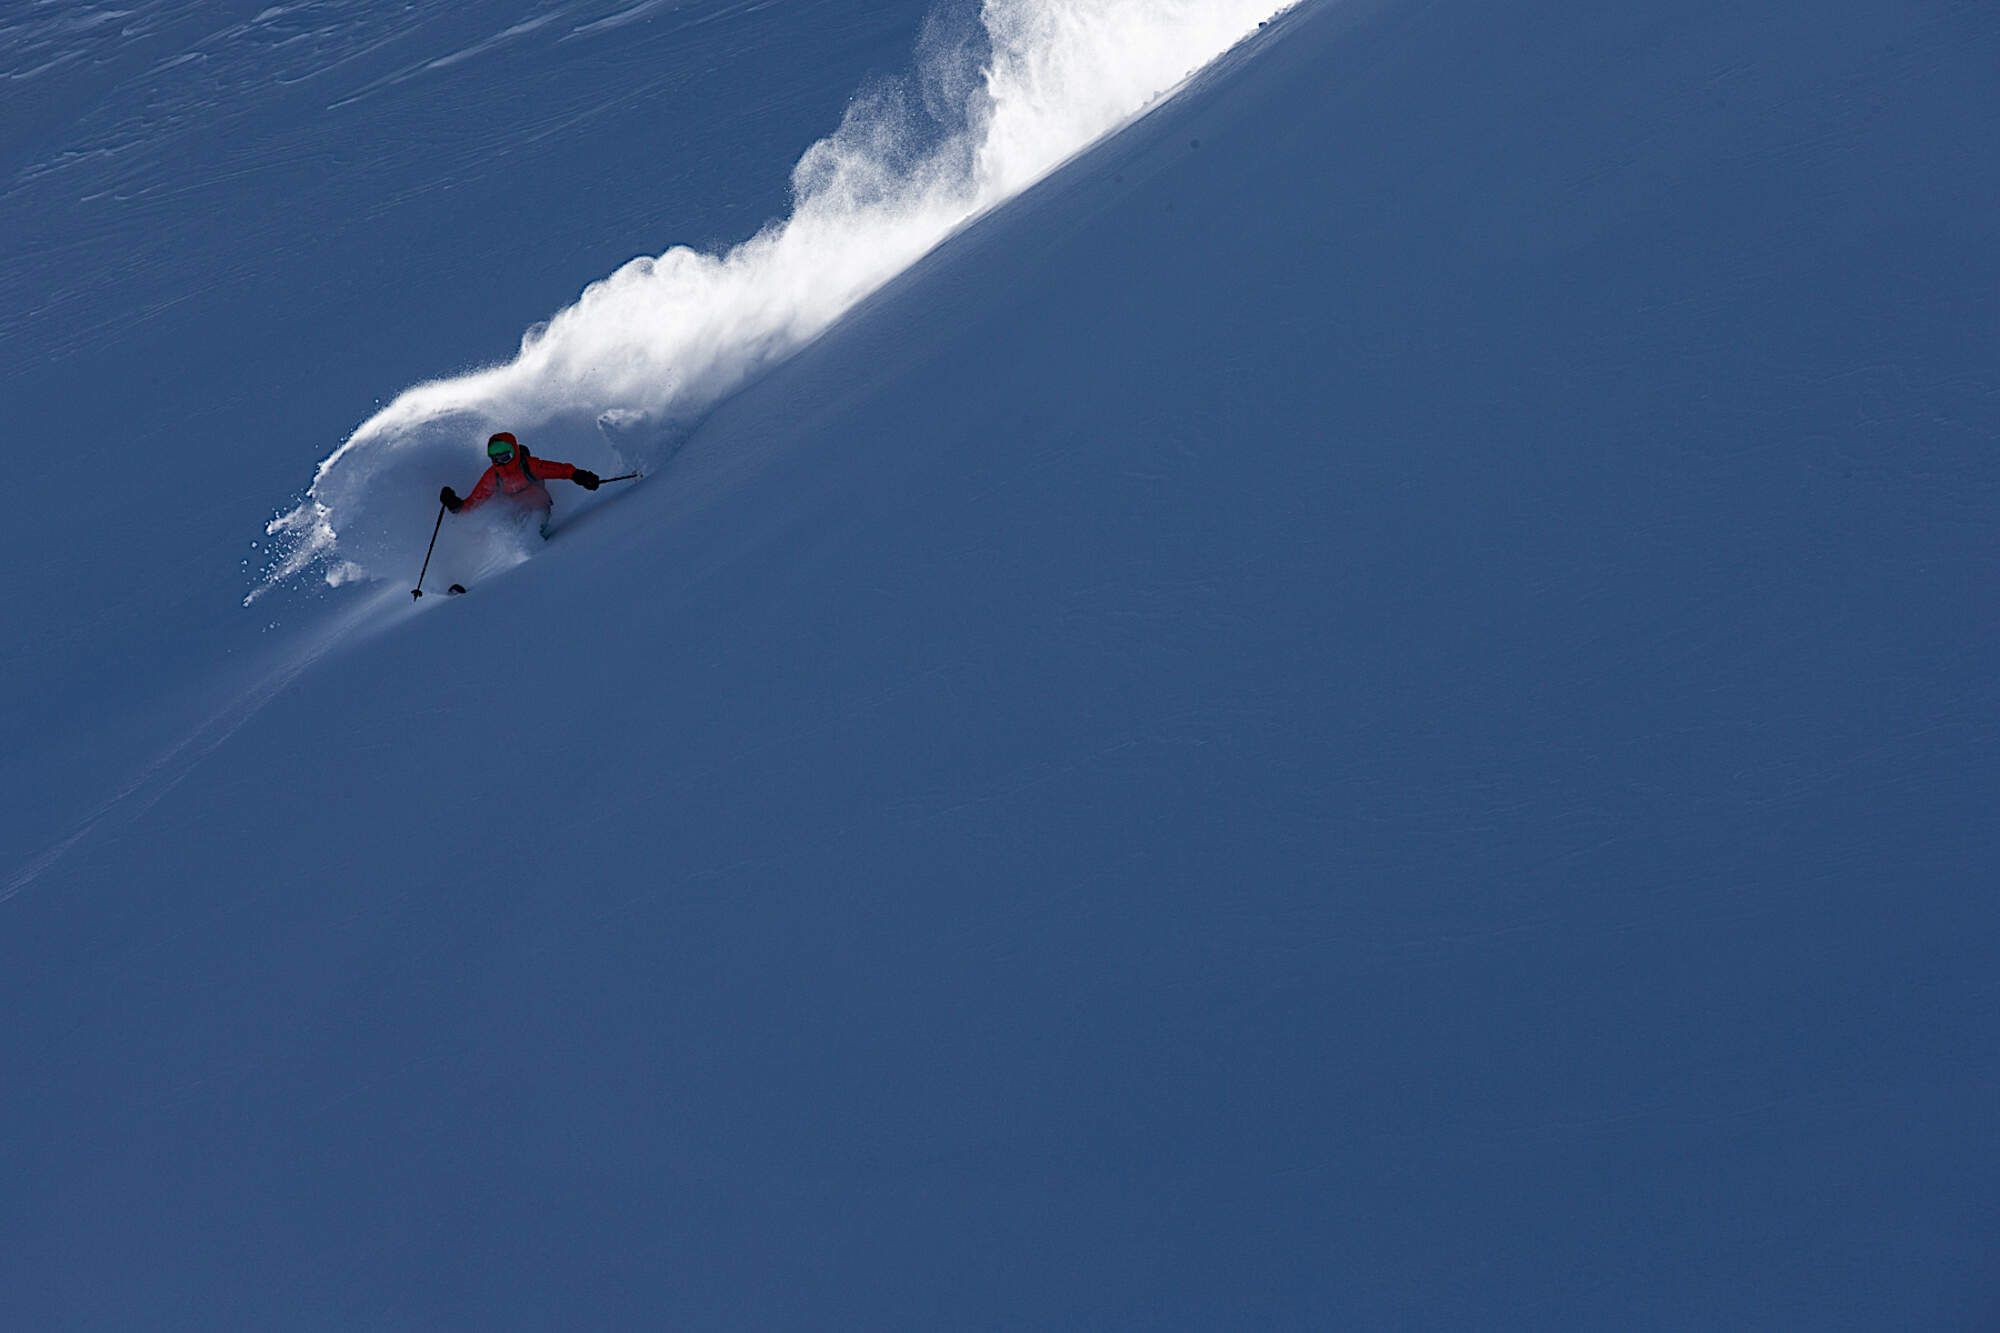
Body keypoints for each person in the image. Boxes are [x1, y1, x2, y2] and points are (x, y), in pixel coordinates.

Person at [441, 432, 600, 538]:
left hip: (539, 507)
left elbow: (561, 470)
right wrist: (455, 505)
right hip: (515, 512)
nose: (501, 462)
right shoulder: (493, 476)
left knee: (531, 530)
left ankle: (534, 558)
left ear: (515, 452)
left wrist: (580, 476)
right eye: (496, 458)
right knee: (506, 532)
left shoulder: (530, 466)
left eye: (505, 457)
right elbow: (473, 502)